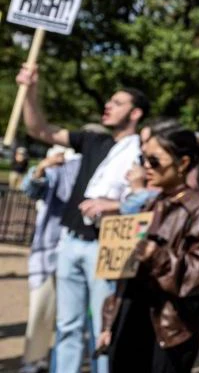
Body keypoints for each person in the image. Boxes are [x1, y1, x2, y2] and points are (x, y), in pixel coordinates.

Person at [16, 63, 148, 373]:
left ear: (135, 113)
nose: (108, 106)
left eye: (117, 103)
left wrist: (111, 205)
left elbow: (152, 196)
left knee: (104, 330)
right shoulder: (92, 141)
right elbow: (40, 130)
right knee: (68, 325)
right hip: (71, 243)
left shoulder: (142, 151)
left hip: (108, 246)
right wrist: (30, 91)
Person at [98, 125, 199, 373]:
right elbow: (125, 274)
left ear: (183, 163)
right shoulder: (152, 203)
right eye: (143, 159)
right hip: (129, 321)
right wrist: (109, 323)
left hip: (169, 330)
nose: (146, 166)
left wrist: (158, 257)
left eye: (154, 160)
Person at [20, 145, 81, 373]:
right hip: (48, 250)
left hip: (74, 247)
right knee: (41, 306)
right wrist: (43, 168)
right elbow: (31, 189)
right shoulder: (52, 172)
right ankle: (34, 358)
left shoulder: (86, 170)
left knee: (70, 314)